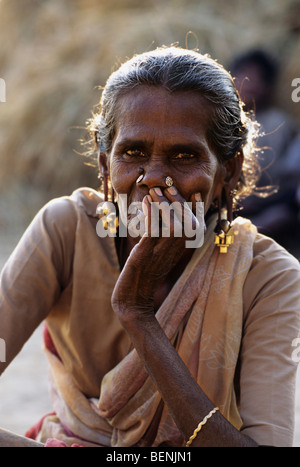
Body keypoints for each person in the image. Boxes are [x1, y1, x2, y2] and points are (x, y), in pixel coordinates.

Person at [1, 46, 300, 448]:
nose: (155, 179)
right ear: (106, 165)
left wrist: (138, 315)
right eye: (133, 153)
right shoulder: (67, 231)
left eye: (184, 156)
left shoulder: (268, 277)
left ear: (226, 172)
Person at [230, 49, 299, 245]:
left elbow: (289, 177)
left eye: (259, 79)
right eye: (244, 75)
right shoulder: (220, 119)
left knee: (279, 217)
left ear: (269, 87)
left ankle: (246, 235)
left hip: (268, 204)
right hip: (227, 203)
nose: (250, 83)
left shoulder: (280, 123)